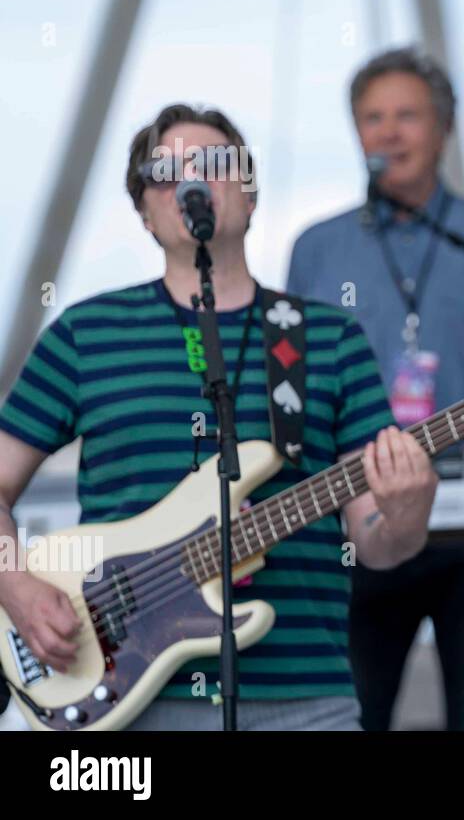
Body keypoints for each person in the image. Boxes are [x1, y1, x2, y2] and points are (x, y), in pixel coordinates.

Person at [0, 104, 437, 730]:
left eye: (213, 165)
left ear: (249, 195)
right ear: (145, 210)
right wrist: (16, 587)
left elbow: (379, 543)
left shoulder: (329, 338)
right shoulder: (84, 334)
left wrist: (407, 507)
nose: (192, 181)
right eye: (165, 172)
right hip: (131, 702)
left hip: (307, 700)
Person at [287, 48, 464, 731]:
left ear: (443, 128)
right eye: (371, 118)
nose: (388, 132)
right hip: (357, 532)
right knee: (345, 720)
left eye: (406, 115)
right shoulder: (316, 249)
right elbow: (288, 389)